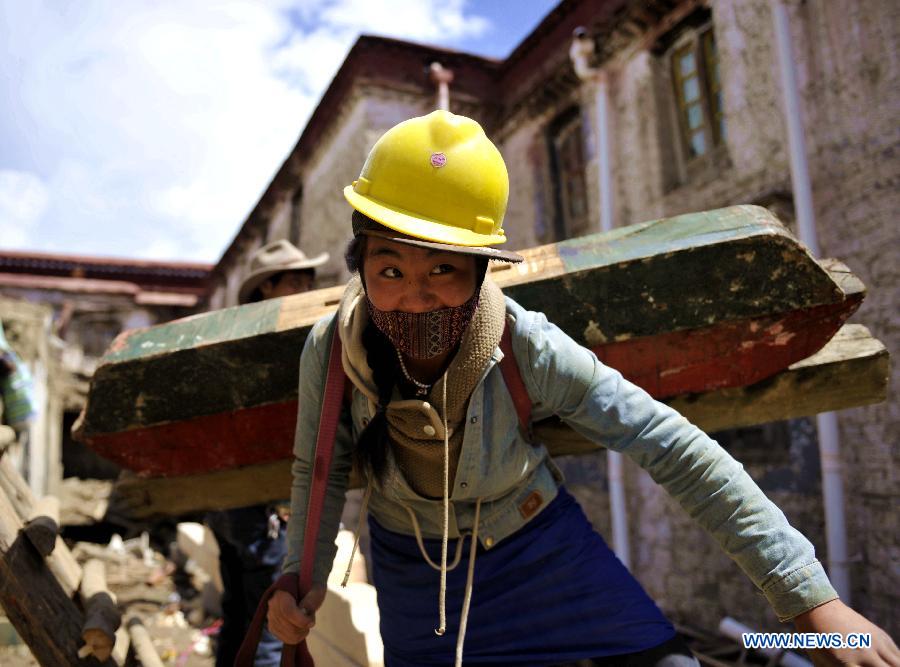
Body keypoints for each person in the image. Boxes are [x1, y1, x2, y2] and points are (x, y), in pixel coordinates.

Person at [267, 111, 898, 666]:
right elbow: (316, 470)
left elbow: (674, 447)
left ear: (484, 270)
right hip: (412, 573)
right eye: (390, 270)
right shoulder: (332, 353)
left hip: (541, 550)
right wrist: (302, 579)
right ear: (362, 265)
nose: (417, 295)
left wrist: (811, 604)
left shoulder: (528, 346)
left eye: (442, 269)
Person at [207, 239, 328, 667]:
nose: (306, 288)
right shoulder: (269, 347)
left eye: (308, 279)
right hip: (253, 507)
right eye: (295, 280)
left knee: (240, 612)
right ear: (266, 288)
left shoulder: (229, 343)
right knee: (270, 625)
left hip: (225, 502)